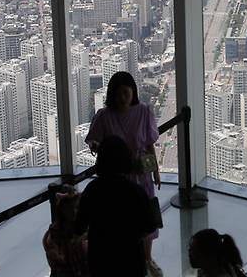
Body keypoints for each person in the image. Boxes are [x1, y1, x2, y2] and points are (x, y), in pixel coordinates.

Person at [84, 71, 163, 277]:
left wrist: (155, 171)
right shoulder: (104, 116)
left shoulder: (144, 112)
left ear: (133, 92)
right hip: (115, 175)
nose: (123, 98)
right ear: (112, 94)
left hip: (140, 173)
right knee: (120, 218)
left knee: (145, 217)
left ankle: (146, 258)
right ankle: (131, 259)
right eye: (119, 94)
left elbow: (148, 144)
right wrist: (96, 146)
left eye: (127, 93)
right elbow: (94, 141)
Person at [75, 135, 156, 277]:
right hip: (131, 261)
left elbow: (79, 227)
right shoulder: (136, 191)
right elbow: (149, 226)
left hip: (101, 261)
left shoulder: (92, 190)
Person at [43, 185, 89, 277]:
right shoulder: (54, 234)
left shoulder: (86, 229)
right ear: (61, 209)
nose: (73, 211)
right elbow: (58, 264)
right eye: (68, 207)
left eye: (76, 207)